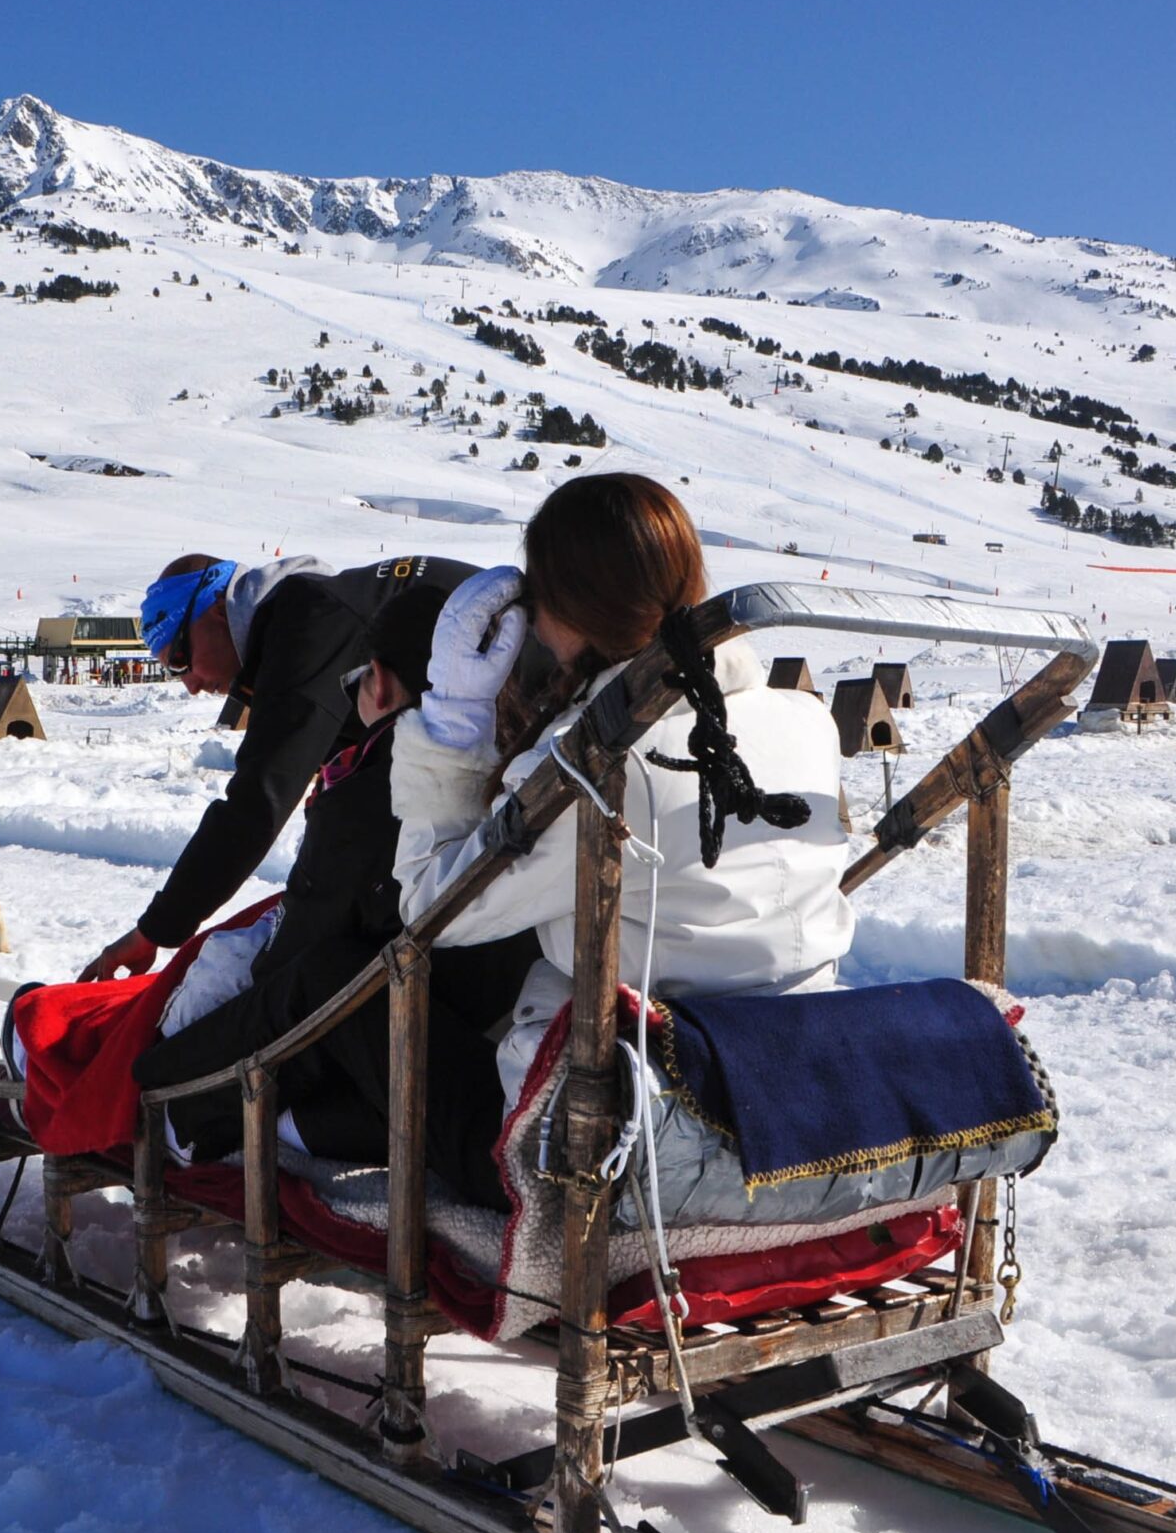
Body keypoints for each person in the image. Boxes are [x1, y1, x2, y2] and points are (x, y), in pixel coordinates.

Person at [385, 473, 855, 1203]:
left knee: (367, 1033)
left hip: (632, 1124)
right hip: (792, 1080)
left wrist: (451, 722)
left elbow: (431, 910)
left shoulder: (595, 766)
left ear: (572, 606)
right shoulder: (806, 720)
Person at [130, 585, 537, 1168]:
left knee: (308, 979)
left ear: (380, 682)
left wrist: (173, 1061)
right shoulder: (530, 765)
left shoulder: (379, 784)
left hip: (429, 1088)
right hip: (500, 1040)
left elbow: (299, 956)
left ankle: (175, 1102)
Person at [77, 548, 476, 983]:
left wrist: (155, 930)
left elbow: (256, 803)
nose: (189, 684)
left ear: (215, 608)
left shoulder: (307, 624)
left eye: (179, 659)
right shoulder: (310, 620)